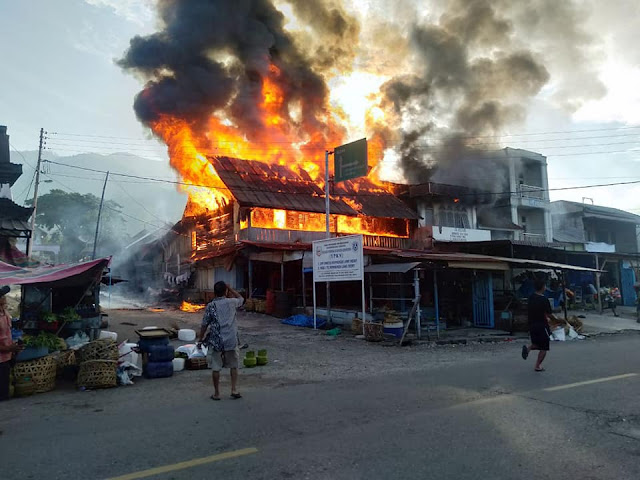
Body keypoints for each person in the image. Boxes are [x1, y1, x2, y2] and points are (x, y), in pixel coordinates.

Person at [198, 281, 245, 400]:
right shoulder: (232, 302)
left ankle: (217, 393)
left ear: (214, 293)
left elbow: (204, 324)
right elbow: (241, 298)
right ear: (226, 291)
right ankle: (234, 389)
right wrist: (230, 288)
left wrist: (200, 339)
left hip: (216, 340)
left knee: (216, 366)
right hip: (231, 339)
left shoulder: (211, 306)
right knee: (234, 365)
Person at [521, 278, 558, 372]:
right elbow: (549, 314)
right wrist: (556, 320)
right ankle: (538, 366)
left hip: (532, 324)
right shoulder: (544, 300)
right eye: (545, 285)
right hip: (542, 325)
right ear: (543, 287)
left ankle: (528, 349)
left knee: (537, 343)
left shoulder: (531, 297)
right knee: (544, 347)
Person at [0, 286, 23, 401]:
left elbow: (7, 334)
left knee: (5, 386)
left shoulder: (5, 314)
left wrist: (14, 346)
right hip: (1, 357)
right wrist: (9, 348)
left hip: (7, 356)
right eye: (2, 296)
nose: (4, 298)